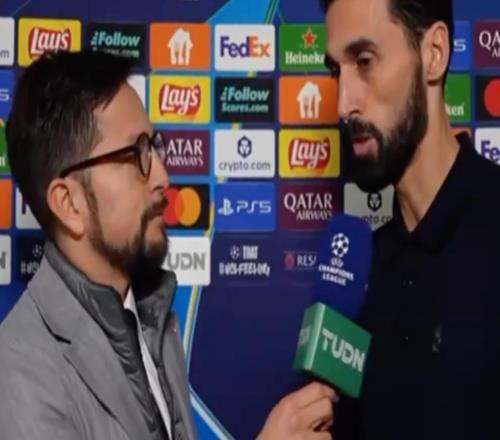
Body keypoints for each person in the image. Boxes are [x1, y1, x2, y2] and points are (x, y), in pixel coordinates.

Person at [0, 50, 335, 440]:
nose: (162, 175)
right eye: (135, 155)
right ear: (69, 204)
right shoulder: (20, 372)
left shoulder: (152, 319)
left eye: (154, 147)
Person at [322, 0, 500, 439]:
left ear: (434, 53)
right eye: (336, 72)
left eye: (365, 61)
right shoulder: (361, 271)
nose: (344, 104)